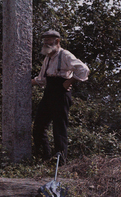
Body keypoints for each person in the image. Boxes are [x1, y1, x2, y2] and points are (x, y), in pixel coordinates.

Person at [32, 29, 89, 164]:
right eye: (45, 40)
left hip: (61, 92)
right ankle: (45, 158)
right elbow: (42, 79)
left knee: (59, 128)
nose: (46, 43)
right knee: (39, 126)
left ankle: (60, 161)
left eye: (49, 40)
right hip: (49, 92)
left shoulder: (65, 55)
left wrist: (70, 81)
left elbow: (84, 69)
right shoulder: (48, 57)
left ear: (57, 41)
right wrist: (23, 82)